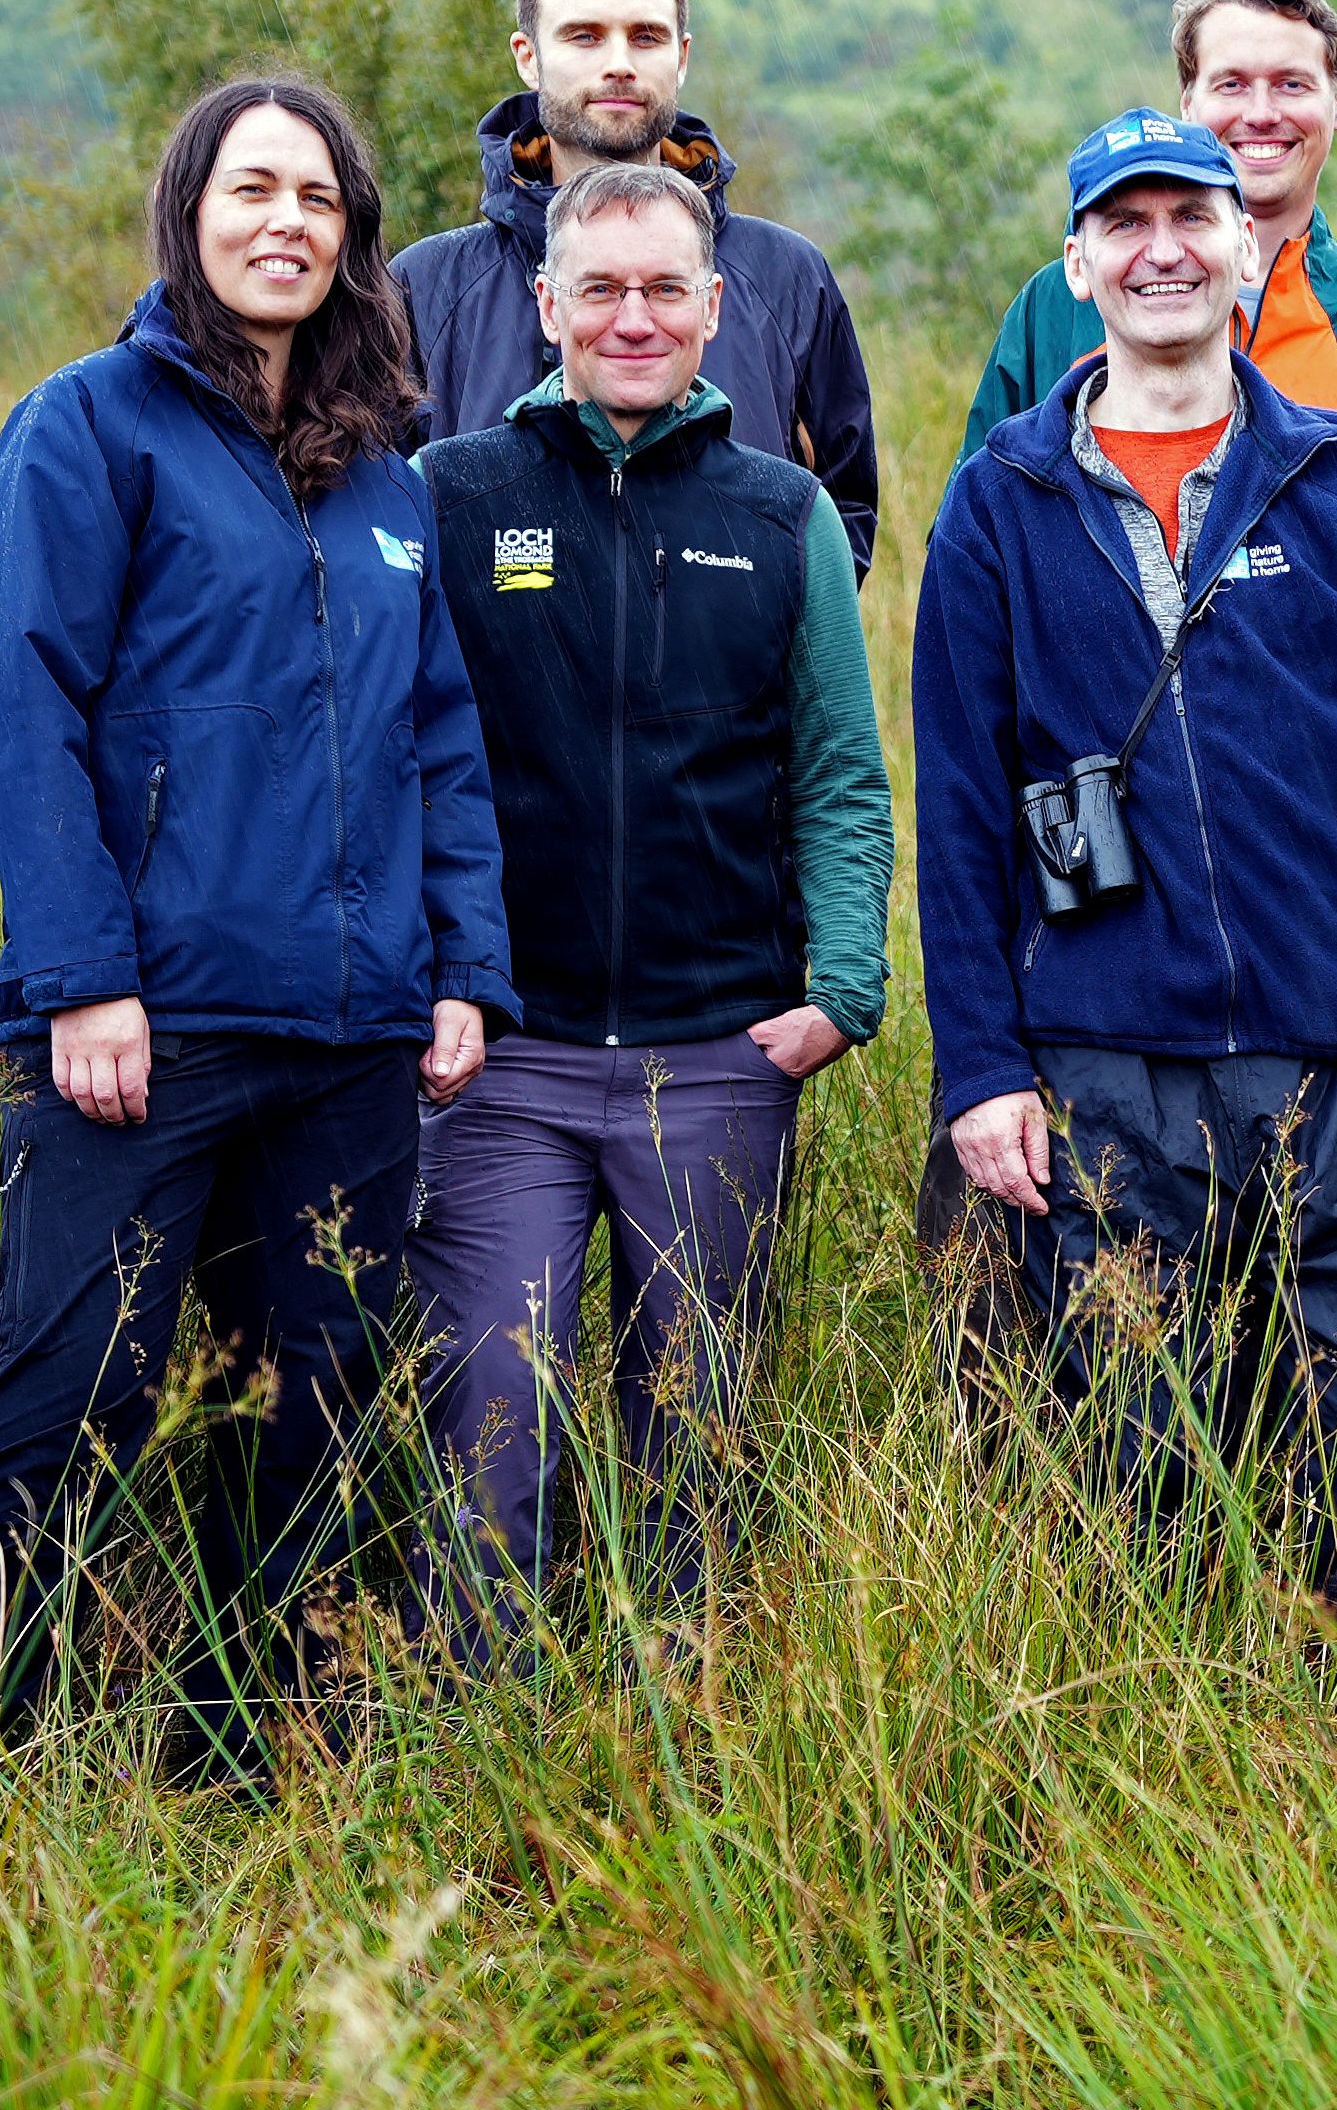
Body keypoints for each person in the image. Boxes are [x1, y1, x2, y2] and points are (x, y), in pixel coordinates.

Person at [0, 75, 514, 1786]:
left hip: (351, 1032)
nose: (287, 223)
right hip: (149, 1026)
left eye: (319, 200)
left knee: (312, 1405)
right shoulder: (90, 426)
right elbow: (22, 703)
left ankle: (237, 1756)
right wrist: (82, 974)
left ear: (354, 240)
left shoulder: (386, 481)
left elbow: (439, 741)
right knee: (71, 1387)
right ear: (189, 212)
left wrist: (463, 965)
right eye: (252, 189)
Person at [915, 109, 1337, 1636]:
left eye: (1195, 218)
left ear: (1250, 246)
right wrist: (980, 1067)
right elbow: (965, 811)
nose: (1163, 250)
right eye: (1126, 224)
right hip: (1107, 1056)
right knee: (1139, 1469)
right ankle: (1177, 1766)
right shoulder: (1001, 498)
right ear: (1078, 266)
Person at [403, 159, 892, 1658]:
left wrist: (843, 993)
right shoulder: (453, 495)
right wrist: (440, 982)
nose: (632, 317)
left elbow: (840, 775)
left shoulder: (785, 512)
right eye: (598, 289)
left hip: (720, 1055)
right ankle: (470, 1735)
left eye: (663, 288)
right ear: (545, 304)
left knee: (697, 1429)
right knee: (495, 1404)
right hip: (507, 1061)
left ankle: (679, 1730)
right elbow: (403, 759)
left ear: (713, 307)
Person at [955, 0, 1337, 688]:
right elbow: (971, 567)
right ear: (1188, 100)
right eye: (1232, 83)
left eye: (1293, 84)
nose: (1262, 112)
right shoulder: (1055, 309)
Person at [393, 0, 880, 573]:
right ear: (528, 58)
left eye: (645, 37)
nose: (619, 63)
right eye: (585, 37)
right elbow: (383, 524)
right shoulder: (427, 285)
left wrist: (772, 631)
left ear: (680, 58)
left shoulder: (787, 275)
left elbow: (845, 505)